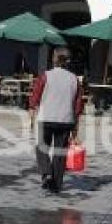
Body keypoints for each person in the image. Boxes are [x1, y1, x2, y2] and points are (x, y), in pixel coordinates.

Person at [29, 47, 84, 194]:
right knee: (60, 153)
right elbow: (78, 106)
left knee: (41, 146)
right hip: (66, 120)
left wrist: (32, 113)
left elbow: (35, 96)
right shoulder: (74, 80)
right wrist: (75, 130)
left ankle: (46, 173)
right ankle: (55, 185)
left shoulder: (46, 76)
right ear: (68, 61)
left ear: (54, 59)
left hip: (46, 118)